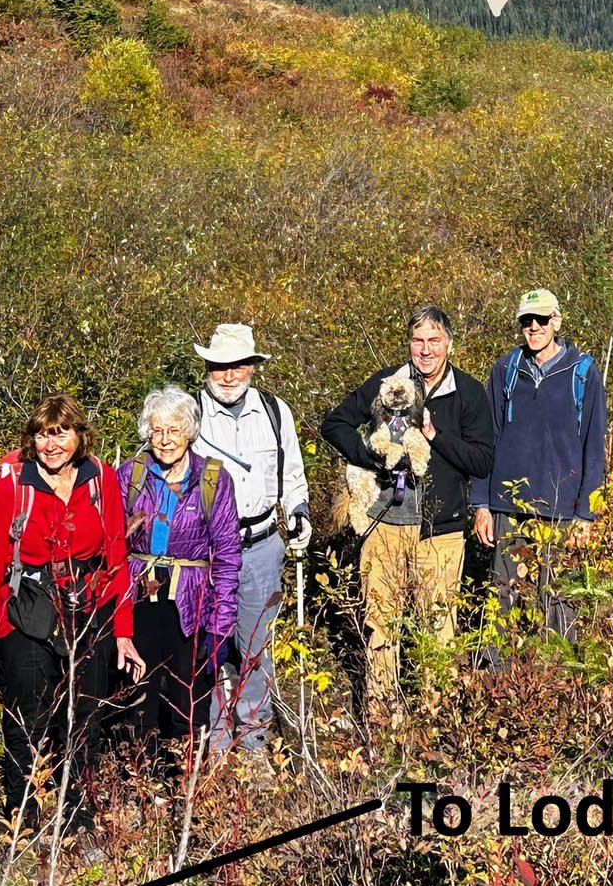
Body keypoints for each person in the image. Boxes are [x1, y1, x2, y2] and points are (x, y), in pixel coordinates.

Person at [0, 396, 143, 836]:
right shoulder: (14, 484)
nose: (51, 444)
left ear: (79, 436)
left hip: (88, 608)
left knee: (83, 717)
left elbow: (116, 558)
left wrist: (122, 630)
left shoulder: (101, 478)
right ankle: (22, 818)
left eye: (61, 433)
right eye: (43, 434)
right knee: (27, 716)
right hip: (26, 610)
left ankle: (77, 819)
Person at [318, 306, 496, 726]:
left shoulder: (468, 393)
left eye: (434, 341)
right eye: (418, 340)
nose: (426, 350)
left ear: (449, 344)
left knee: (439, 631)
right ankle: (383, 722)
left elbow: (483, 460)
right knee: (381, 627)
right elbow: (335, 424)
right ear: (409, 344)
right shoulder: (387, 386)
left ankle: (438, 721)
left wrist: (436, 436)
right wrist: (371, 456)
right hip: (385, 527)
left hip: (442, 532)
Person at [190, 324, 309, 759]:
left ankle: (255, 741)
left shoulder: (276, 412)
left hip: (261, 544)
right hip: (203, 553)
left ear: (252, 368)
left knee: (256, 648)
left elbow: (292, 475)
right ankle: (216, 744)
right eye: (219, 366)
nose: (227, 375)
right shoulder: (191, 416)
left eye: (237, 365)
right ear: (207, 367)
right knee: (208, 648)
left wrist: (299, 513)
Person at [476, 289, 608, 657]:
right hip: (508, 507)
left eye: (541, 320)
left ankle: (558, 684)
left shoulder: (583, 373)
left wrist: (586, 513)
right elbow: (489, 438)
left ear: (557, 322)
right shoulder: (505, 370)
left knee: (558, 601)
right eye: (526, 321)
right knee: (503, 599)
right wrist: (482, 504)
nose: (533, 327)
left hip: (562, 510)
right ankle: (497, 684)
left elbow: (594, 446)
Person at [119, 389, 241, 766]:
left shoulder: (213, 480)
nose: (165, 439)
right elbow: (113, 546)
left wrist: (220, 624)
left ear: (189, 432)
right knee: (139, 699)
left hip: (191, 604)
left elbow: (227, 554)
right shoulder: (131, 474)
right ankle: (141, 784)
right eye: (157, 430)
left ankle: (186, 787)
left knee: (188, 703)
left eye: (174, 430)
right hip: (138, 599)